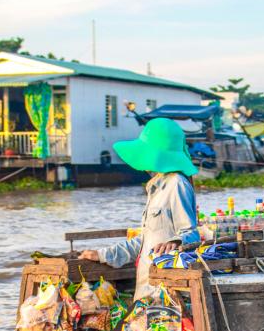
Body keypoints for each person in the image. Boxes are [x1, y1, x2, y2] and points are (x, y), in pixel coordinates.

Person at [78, 118, 199, 298]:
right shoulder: (157, 186)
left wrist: (175, 242)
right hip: (148, 290)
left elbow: (191, 233)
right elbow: (144, 242)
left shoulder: (176, 184)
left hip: (166, 293)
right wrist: (103, 255)